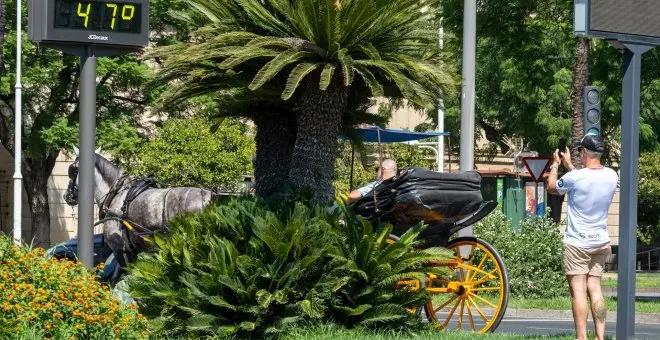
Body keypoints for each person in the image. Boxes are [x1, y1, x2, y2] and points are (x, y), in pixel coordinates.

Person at [547, 134, 618, 340]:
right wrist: (571, 166)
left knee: (578, 291)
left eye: (580, 151)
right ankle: (600, 337)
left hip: (577, 243)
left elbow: (553, 187)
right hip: (600, 241)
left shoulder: (576, 178)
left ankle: (581, 338)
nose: (578, 154)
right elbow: (587, 180)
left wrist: (555, 164)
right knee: (595, 289)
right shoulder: (612, 176)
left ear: (585, 152)